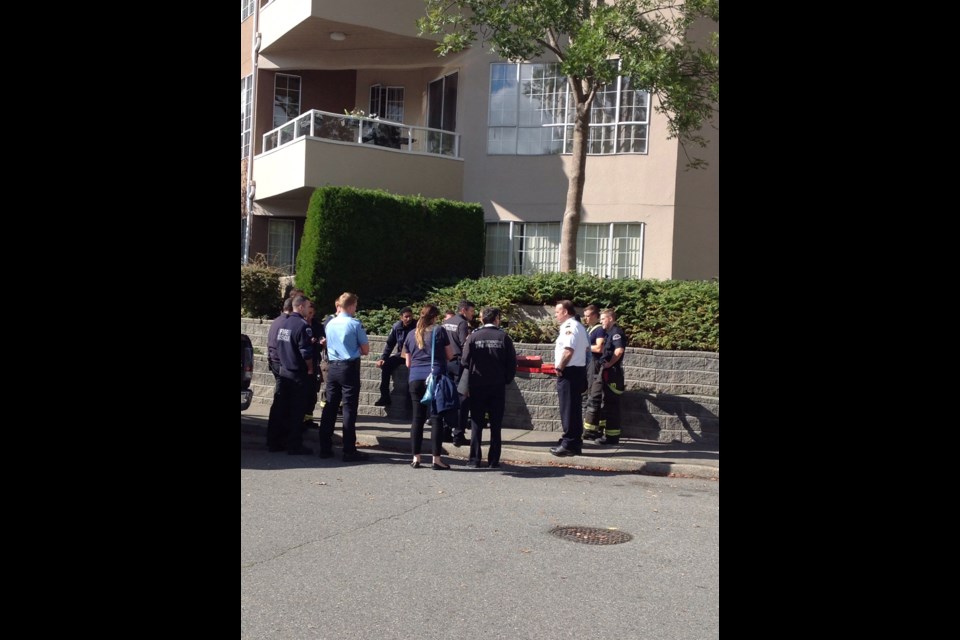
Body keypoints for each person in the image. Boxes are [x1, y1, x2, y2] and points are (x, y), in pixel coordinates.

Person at [317, 292, 370, 462]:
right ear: (351, 305)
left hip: (333, 367)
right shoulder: (354, 323)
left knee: (330, 406)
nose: (356, 309)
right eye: (355, 306)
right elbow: (365, 350)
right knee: (348, 409)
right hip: (349, 367)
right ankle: (349, 450)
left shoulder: (330, 323)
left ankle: (324, 447)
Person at [460, 307, 516, 468]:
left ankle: (474, 459)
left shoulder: (473, 336)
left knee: (477, 422)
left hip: (477, 384)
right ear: (496, 319)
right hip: (497, 385)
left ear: (482, 319)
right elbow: (512, 363)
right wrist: (506, 380)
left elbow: (464, 361)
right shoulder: (504, 337)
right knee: (496, 424)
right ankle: (493, 461)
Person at [403, 304, 455, 470]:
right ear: (434, 317)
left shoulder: (411, 334)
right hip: (435, 378)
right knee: (436, 418)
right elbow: (450, 355)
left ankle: (416, 458)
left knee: (417, 419)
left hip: (415, 379)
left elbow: (408, 362)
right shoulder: (439, 331)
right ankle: (436, 460)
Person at [275, 295, 316, 455]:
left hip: (284, 371)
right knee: (297, 411)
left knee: (284, 408)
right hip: (298, 373)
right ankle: (294, 445)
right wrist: (310, 369)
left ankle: (280, 441)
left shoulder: (283, 322)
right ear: (300, 307)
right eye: (307, 307)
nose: (308, 309)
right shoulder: (302, 325)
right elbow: (306, 353)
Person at [549, 300, 589, 457]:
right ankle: (573, 442)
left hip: (570, 372)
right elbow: (585, 349)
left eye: (558, 312)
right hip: (576, 371)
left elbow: (568, 350)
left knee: (569, 409)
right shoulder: (578, 326)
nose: (556, 315)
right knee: (573, 409)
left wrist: (560, 367)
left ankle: (569, 443)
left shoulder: (570, 327)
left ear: (565, 312)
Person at [442, 300, 476, 447]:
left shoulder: (447, 322)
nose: (472, 315)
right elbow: (464, 345)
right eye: (471, 312)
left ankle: (445, 431)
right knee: (462, 399)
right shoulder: (462, 323)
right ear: (463, 310)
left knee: (447, 397)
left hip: (445, 363)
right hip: (458, 364)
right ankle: (458, 434)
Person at [591, 309, 627, 446]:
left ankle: (612, 438)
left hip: (612, 373)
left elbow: (619, 351)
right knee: (607, 403)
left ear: (610, 318)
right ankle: (607, 435)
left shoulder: (616, 333)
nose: (601, 322)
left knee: (611, 405)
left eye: (603, 319)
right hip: (609, 372)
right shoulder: (609, 333)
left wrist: (609, 364)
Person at [266, 295, 294, 451]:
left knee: (279, 403)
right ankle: (277, 440)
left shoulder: (277, 321)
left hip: (275, 364)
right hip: (282, 366)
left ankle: (273, 439)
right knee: (282, 404)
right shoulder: (286, 323)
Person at [374, 307, 415, 406]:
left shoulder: (417, 326)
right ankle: (385, 397)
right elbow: (390, 344)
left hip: (414, 355)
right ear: (401, 318)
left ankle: (411, 400)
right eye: (406, 317)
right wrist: (383, 358)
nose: (408, 319)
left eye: (410, 316)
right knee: (386, 365)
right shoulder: (397, 327)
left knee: (412, 371)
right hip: (402, 355)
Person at [581, 304, 607, 441]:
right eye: (584, 316)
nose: (586, 318)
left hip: (596, 367)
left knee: (595, 397)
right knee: (589, 396)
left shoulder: (599, 330)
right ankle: (590, 429)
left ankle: (595, 430)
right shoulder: (590, 329)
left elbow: (599, 348)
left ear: (596, 316)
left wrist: (584, 347)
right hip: (589, 366)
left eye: (588, 316)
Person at [301, 300, 326, 435]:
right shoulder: (301, 325)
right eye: (308, 313)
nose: (309, 316)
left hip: (314, 361)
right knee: (302, 393)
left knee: (312, 393)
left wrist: (322, 342)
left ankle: (308, 419)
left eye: (311, 313)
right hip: (303, 364)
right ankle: (301, 420)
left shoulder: (317, 325)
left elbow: (322, 338)